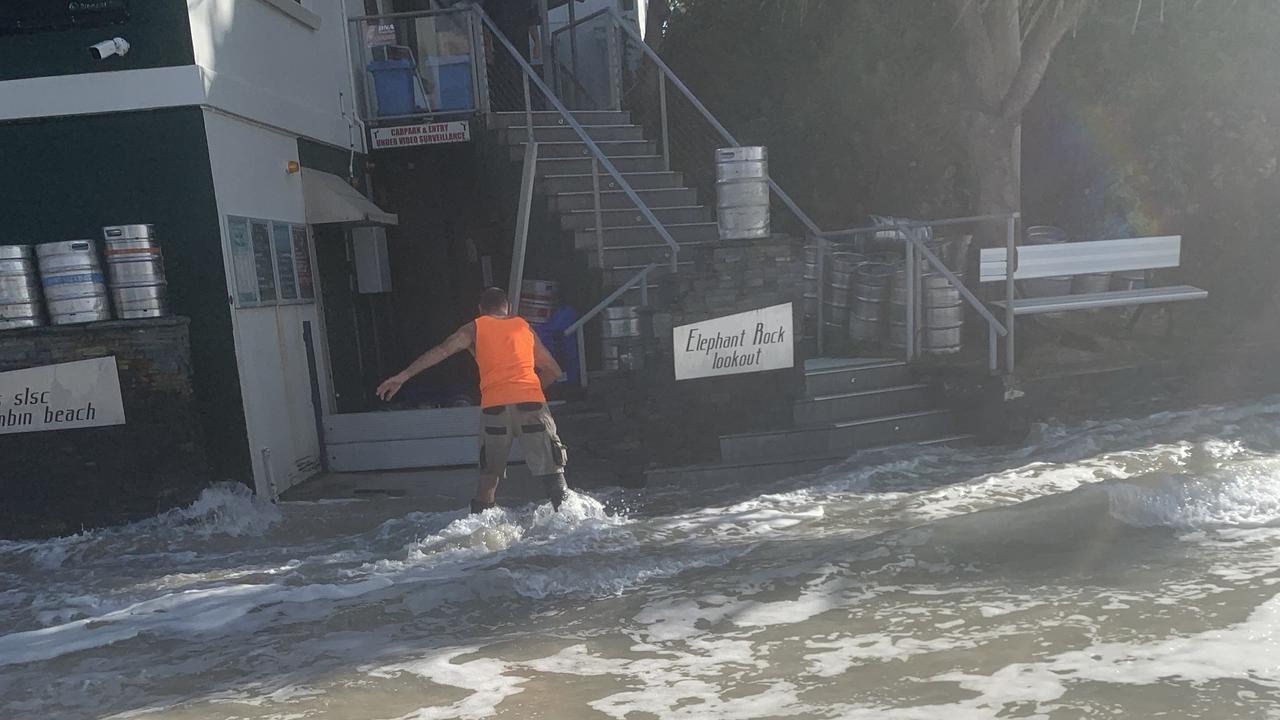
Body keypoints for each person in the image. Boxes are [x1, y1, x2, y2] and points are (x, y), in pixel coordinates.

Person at [376, 288, 569, 514]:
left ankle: (482, 529)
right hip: (532, 405)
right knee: (554, 475)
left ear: (480, 310)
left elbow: (442, 351)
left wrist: (403, 376)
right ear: (506, 307)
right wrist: (531, 391)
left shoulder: (474, 328)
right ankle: (570, 525)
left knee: (489, 478)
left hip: (495, 410)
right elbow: (552, 370)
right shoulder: (523, 327)